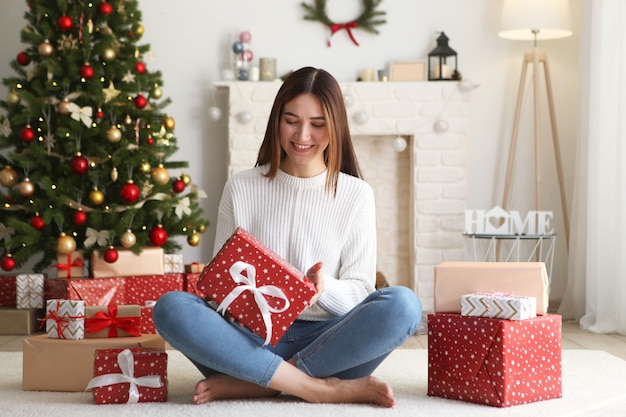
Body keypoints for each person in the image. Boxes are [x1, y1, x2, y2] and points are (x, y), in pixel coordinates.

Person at [153, 66, 422, 408]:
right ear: (276, 121)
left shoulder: (357, 194)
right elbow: (219, 286)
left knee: (404, 305)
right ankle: (317, 389)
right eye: (291, 120)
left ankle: (262, 383)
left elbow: (360, 290)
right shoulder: (242, 187)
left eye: (318, 124)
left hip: (329, 341)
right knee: (171, 307)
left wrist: (324, 289)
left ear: (336, 126)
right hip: (253, 340)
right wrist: (232, 307)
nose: (302, 135)